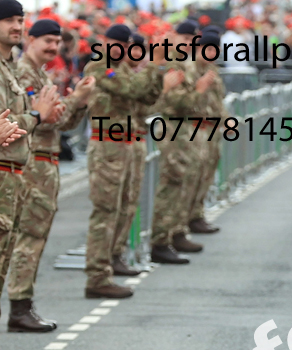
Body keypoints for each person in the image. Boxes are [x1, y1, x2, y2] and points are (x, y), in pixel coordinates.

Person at [7, 19, 94, 332]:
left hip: (46, 162)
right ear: (31, 39)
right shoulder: (23, 73)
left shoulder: (39, 74)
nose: (54, 48)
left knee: (34, 238)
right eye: (47, 41)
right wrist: (74, 100)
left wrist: (78, 102)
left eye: (57, 43)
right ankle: (19, 306)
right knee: (26, 239)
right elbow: (44, 119)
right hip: (32, 164)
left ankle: (22, 305)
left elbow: (62, 121)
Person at [0, 0, 60, 350]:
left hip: (13, 171)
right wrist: (35, 114)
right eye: (8, 19)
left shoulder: (9, 68)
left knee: (4, 259)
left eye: (20, 19)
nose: (16, 25)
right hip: (9, 169)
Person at [84, 23, 164, 298]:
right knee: (105, 211)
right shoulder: (99, 67)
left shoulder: (125, 68)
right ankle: (97, 274)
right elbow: (130, 89)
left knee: (125, 206)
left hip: (127, 143)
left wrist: (154, 71)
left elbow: (149, 97)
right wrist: (151, 67)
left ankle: (113, 257)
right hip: (107, 145)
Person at [150, 20, 211, 264]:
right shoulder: (171, 62)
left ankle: (175, 232)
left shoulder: (186, 61)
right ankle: (161, 239)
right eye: (183, 38)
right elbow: (176, 101)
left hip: (183, 127)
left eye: (191, 39)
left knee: (181, 182)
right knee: (171, 182)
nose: (187, 43)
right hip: (172, 125)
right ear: (172, 36)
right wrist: (197, 91)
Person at [187, 30, 227, 235]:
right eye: (208, 49)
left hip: (212, 128)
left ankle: (197, 214)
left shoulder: (213, 70)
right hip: (194, 128)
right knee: (192, 175)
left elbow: (218, 101)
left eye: (215, 50)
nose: (211, 53)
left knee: (207, 174)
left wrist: (226, 120)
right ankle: (185, 218)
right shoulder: (191, 69)